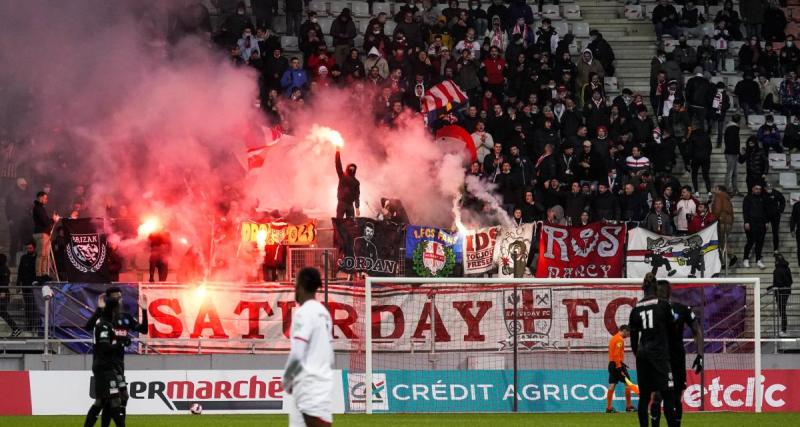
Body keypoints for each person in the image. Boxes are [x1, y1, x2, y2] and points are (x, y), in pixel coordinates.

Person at [83, 286, 148, 427]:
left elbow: (144, 329)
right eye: (115, 297)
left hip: (118, 363)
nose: (118, 299)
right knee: (110, 399)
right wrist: (99, 309)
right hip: (104, 364)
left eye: (119, 296)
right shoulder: (104, 320)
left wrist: (144, 310)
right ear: (109, 299)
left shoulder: (125, 318)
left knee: (117, 397)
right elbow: (88, 328)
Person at [283, 267, 334, 427]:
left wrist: (286, 378)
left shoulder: (303, 313)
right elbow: (330, 355)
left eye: (296, 285)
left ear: (301, 286)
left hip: (308, 386)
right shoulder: (324, 313)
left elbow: (298, 354)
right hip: (319, 383)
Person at [650, 279, 704, 427]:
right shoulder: (651, 310)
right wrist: (699, 356)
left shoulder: (681, 309)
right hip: (664, 357)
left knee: (665, 396)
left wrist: (700, 356)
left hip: (668, 357)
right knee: (663, 396)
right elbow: (697, 331)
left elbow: (696, 330)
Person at [628, 273, 678, 427]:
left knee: (644, 398)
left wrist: (639, 355)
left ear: (643, 288)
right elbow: (673, 331)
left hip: (643, 356)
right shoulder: (663, 305)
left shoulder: (636, 309)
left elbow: (634, 339)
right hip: (659, 355)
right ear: (656, 288)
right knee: (668, 396)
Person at [605, 325, 634, 413]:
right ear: (624, 331)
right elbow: (617, 354)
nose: (628, 336)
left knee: (612, 385)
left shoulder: (613, 338)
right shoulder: (619, 340)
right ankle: (628, 406)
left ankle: (609, 408)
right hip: (617, 365)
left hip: (611, 364)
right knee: (628, 384)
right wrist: (619, 368)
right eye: (628, 333)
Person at [32, 191, 60, 281]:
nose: (46, 200)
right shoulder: (37, 208)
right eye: (45, 198)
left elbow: (46, 222)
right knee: (41, 254)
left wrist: (52, 220)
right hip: (41, 233)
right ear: (40, 197)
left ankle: (43, 273)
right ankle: (38, 274)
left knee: (45, 255)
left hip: (45, 234)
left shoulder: (41, 208)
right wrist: (53, 220)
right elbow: (45, 222)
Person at [742, 184, 767, 269]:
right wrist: (746, 222)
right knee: (750, 242)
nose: (758, 190)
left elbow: (765, 211)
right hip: (751, 223)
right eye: (756, 188)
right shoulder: (747, 198)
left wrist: (766, 222)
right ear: (752, 189)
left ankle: (758, 260)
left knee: (760, 242)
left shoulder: (763, 198)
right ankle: (745, 259)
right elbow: (745, 211)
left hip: (761, 224)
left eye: (760, 189)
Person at [768, 254, 792, 337]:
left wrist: (773, 287)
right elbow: (790, 281)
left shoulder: (777, 270)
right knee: (783, 311)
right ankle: (783, 329)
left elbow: (777, 283)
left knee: (782, 312)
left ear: (777, 260)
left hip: (780, 293)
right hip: (786, 292)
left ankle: (783, 330)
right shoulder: (787, 268)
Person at [17, 242, 37, 333]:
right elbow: (20, 271)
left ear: (34, 248)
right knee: (28, 305)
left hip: (34, 285)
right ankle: (29, 323)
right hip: (25, 285)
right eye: (27, 248)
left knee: (33, 305)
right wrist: (18, 284)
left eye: (30, 248)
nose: (29, 250)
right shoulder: (24, 258)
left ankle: (34, 324)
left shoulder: (36, 258)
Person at [335, 149, 360, 219]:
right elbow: (338, 165)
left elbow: (357, 195)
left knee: (351, 223)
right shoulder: (342, 176)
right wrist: (337, 152)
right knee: (339, 221)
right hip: (342, 203)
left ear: (355, 170)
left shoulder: (356, 182)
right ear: (347, 168)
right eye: (350, 167)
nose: (352, 169)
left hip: (350, 205)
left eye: (353, 168)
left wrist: (357, 207)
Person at [0, 254, 21, 337]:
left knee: (2, 312)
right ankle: (16, 329)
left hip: (3, 295)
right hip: (3, 294)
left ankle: (16, 329)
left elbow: (5, 281)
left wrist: (3, 292)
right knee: (2, 312)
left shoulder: (4, 269)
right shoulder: (2, 268)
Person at [764, 183, 786, 255]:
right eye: (767, 188)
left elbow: (783, 201)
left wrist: (780, 210)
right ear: (765, 188)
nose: (768, 189)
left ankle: (776, 249)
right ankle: (760, 248)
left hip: (775, 216)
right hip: (766, 216)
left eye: (770, 187)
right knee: (761, 231)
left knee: (775, 232)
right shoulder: (762, 194)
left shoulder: (776, 193)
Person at [723, 114, 741, 195]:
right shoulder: (732, 128)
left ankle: (735, 189)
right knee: (730, 172)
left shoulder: (732, 127)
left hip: (733, 152)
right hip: (731, 153)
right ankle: (729, 190)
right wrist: (736, 151)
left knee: (734, 173)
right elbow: (732, 142)